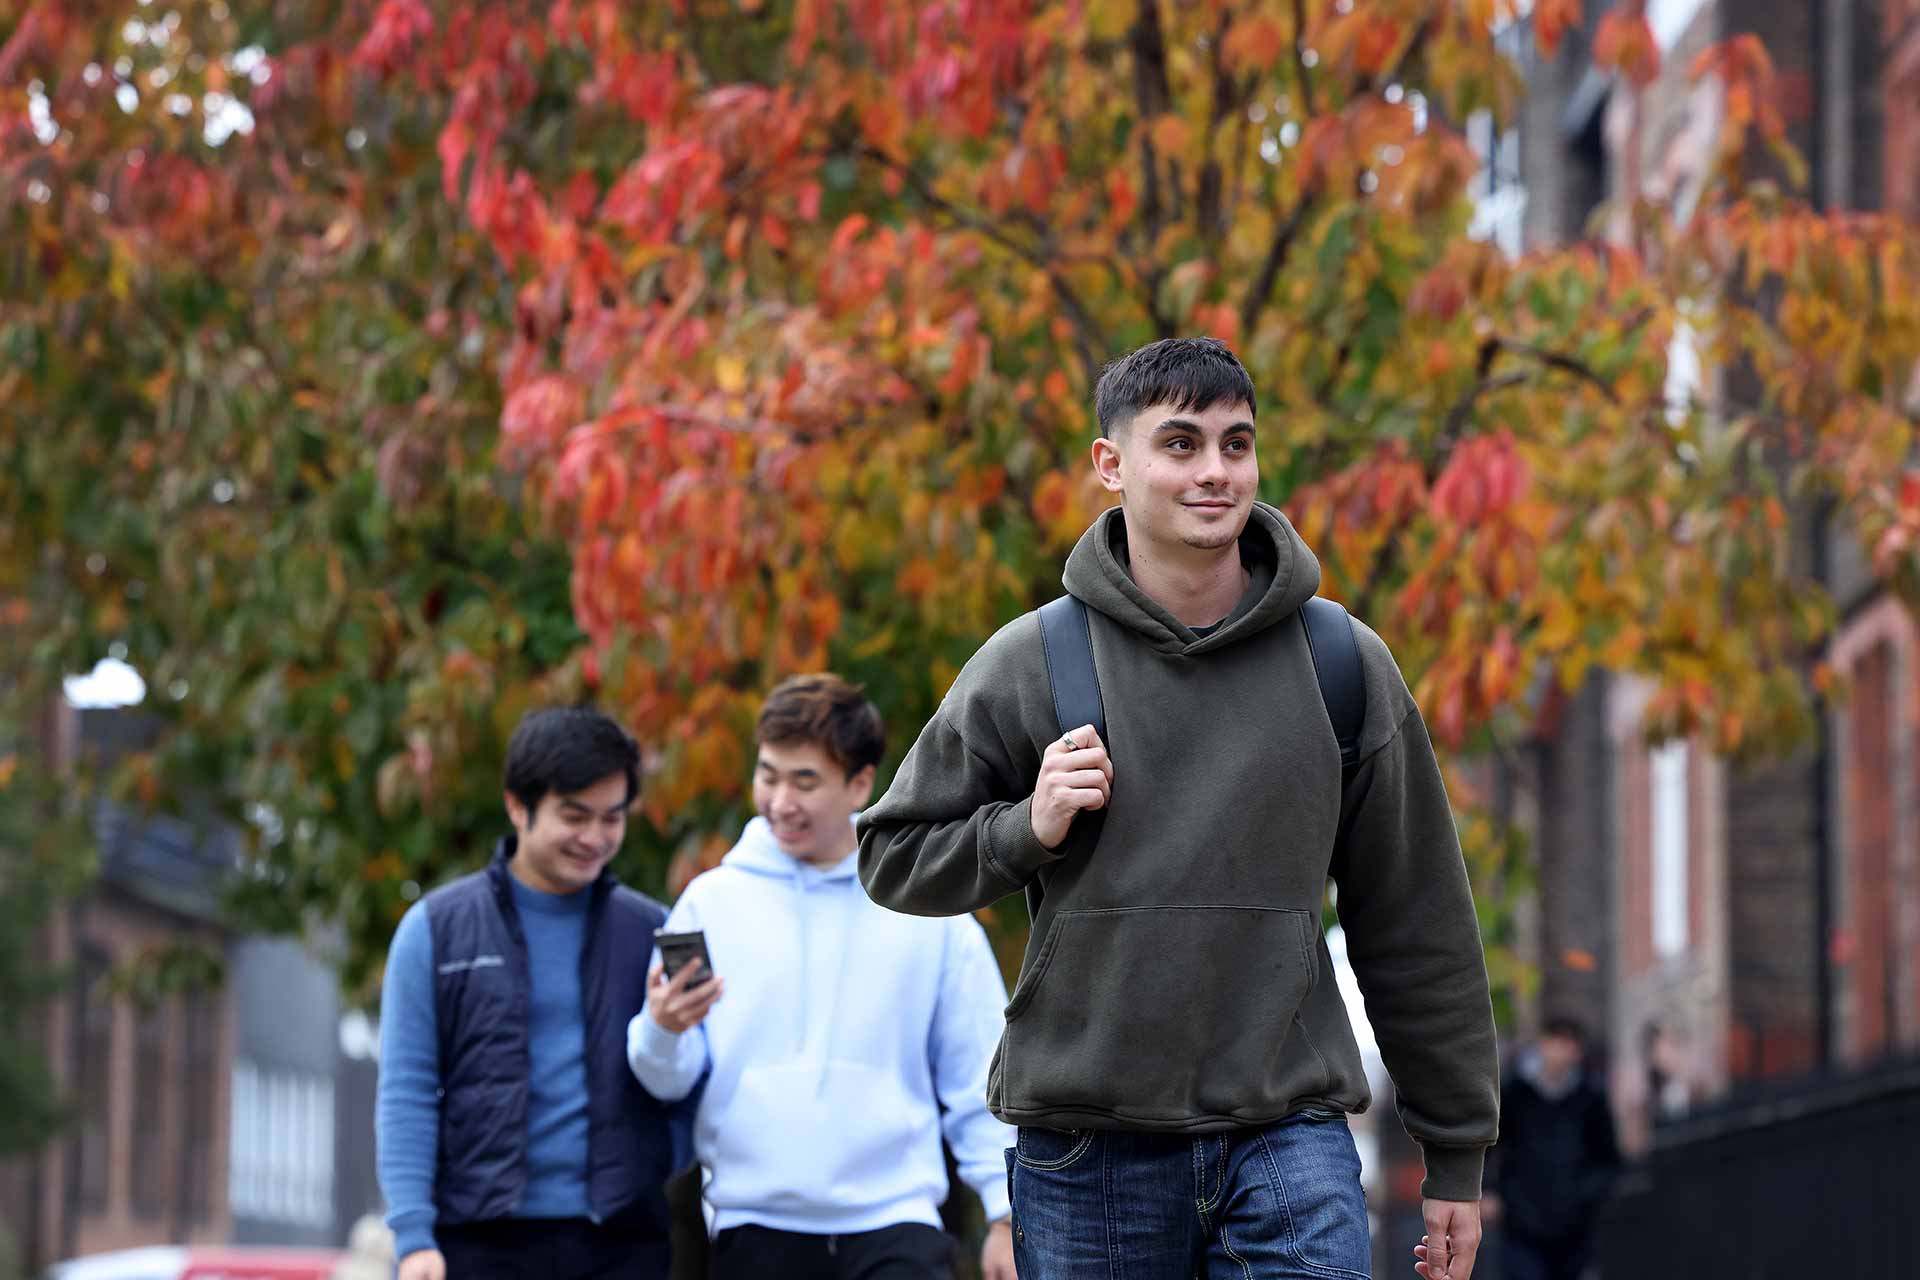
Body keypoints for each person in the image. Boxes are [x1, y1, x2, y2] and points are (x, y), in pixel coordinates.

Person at [858, 337, 1501, 1280]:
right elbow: (891, 857)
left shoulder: (1342, 664)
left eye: (1236, 445)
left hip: (1288, 1129)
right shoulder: (1033, 660)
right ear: (1112, 466)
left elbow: (1419, 921)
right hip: (1089, 1146)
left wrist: (1456, 1151)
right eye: (1182, 443)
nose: (1214, 471)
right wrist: (1023, 829)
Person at [628, 674, 1018, 1280]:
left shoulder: (924, 904)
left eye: (804, 780)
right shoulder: (710, 903)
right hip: (751, 1226)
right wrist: (661, 1029)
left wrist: (1004, 1214)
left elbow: (982, 1074)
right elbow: (665, 1080)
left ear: (860, 783)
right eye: (769, 775)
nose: (781, 801)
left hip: (899, 1224)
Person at [377, 708, 692, 1280]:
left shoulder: (657, 932)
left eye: (612, 818)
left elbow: (696, 1072)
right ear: (518, 807)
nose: (595, 838)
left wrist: (657, 1161)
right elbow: (408, 1089)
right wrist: (413, 1233)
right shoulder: (435, 930)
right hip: (478, 1242)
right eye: (575, 817)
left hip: (623, 1242)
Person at [1487, 1017, 1621, 1280]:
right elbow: (1489, 1146)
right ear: (1543, 1043)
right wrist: (1488, 1191)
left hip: (1573, 1231)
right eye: (1556, 1042)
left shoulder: (1590, 1097)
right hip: (1520, 1225)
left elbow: (1608, 1159)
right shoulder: (1515, 1093)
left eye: (1569, 1044)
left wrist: (1583, 1196)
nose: (1561, 1052)